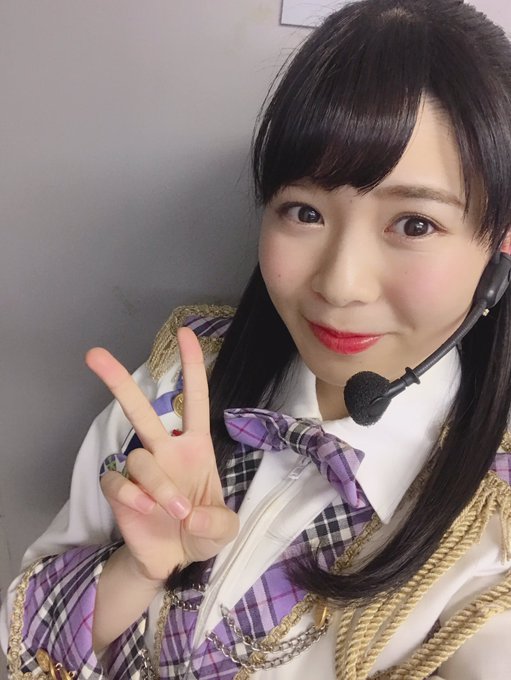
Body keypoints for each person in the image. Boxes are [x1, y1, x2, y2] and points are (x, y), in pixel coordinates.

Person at [2, 0, 511, 677]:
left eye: (414, 224)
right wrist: (136, 571)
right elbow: (24, 635)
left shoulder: (491, 528)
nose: (340, 284)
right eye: (303, 211)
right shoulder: (183, 379)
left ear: (500, 247)